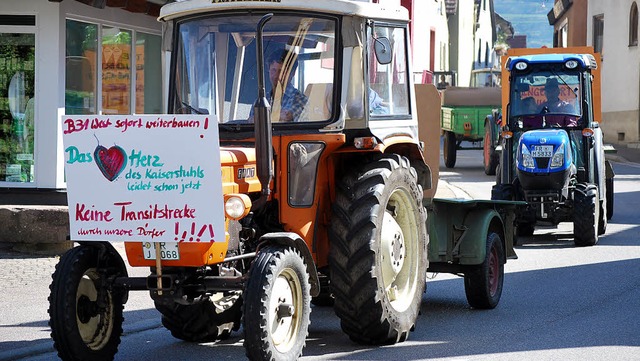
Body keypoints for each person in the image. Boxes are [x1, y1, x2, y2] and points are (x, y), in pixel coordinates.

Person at [267, 51, 308, 122]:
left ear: (293, 73)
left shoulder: (299, 99)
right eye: (273, 70)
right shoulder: (262, 99)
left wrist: (259, 117)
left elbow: (286, 120)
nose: (276, 75)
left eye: (281, 71)